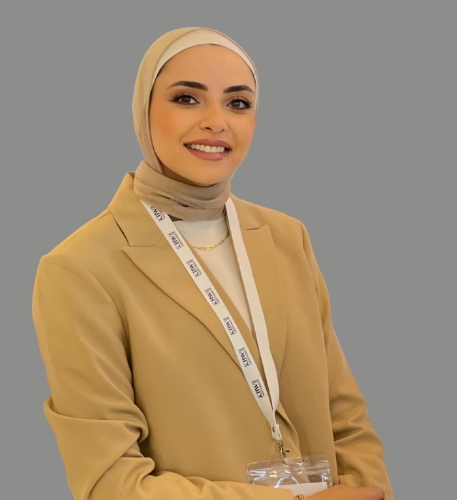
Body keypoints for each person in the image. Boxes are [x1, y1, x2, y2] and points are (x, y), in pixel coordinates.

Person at [32, 27, 393, 500]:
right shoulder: (80, 270)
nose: (216, 122)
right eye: (187, 98)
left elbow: (345, 414)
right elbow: (109, 482)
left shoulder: (287, 238)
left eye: (238, 103)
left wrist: (370, 491)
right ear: (143, 109)